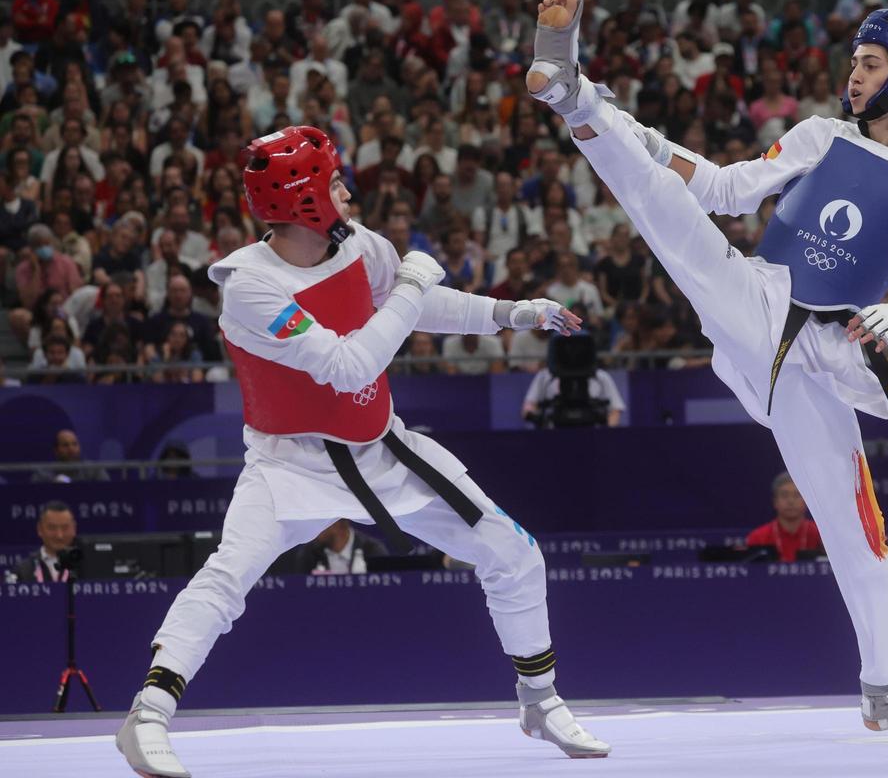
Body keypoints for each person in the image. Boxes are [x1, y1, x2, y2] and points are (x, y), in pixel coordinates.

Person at [527, 0, 888, 741]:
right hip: (760, 302)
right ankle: (574, 93)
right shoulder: (819, 134)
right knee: (669, 214)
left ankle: (884, 688)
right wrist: (640, 133)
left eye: (871, 64)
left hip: (824, 360)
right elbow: (720, 187)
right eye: (855, 62)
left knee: (856, 525)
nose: (856, 75)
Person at [115, 126, 608, 778]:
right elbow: (349, 365)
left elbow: (417, 303)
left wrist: (512, 313)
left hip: (382, 450)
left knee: (513, 552)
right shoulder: (249, 287)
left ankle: (539, 702)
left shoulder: (361, 246)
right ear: (305, 200)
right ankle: (146, 717)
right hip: (288, 464)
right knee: (226, 578)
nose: (347, 189)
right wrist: (410, 286)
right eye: (334, 180)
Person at [744, 473, 823, 561]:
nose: (791, 501)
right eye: (784, 495)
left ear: (806, 501)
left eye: (797, 495)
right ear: (775, 502)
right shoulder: (758, 537)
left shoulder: (821, 535)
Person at [6, 501, 79, 583]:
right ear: (40, 529)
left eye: (65, 528)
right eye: (52, 528)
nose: (59, 535)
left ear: (74, 528)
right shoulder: (22, 570)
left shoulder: (89, 567)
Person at [294, 519, 388, 574]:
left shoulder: (373, 551)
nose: (316, 531)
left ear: (336, 525)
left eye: (321, 525)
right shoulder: (309, 552)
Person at [30, 429, 111, 483]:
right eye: (65, 445)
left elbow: (108, 492)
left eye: (75, 444)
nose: (71, 449)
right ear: (56, 450)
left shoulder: (94, 470)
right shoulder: (42, 474)